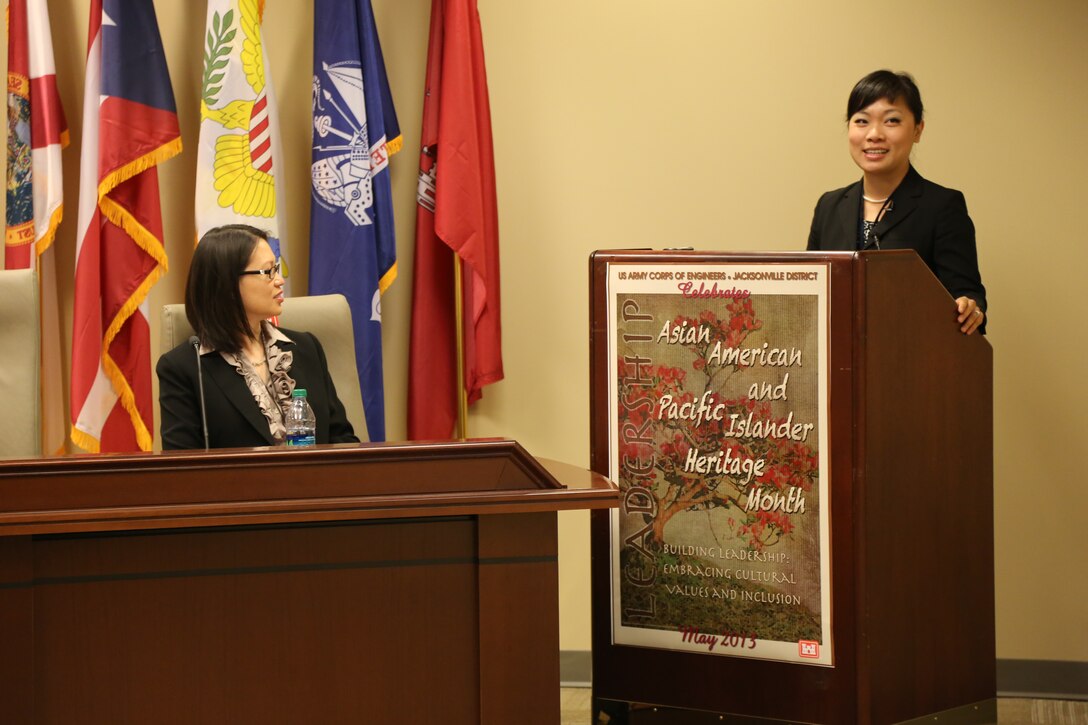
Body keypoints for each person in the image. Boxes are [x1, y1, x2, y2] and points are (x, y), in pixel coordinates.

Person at [807, 70, 987, 335]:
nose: (874, 134)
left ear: (917, 129)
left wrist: (971, 307)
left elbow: (967, 294)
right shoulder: (829, 206)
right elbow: (811, 292)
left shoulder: (942, 206)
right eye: (861, 121)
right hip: (838, 363)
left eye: (891, 121)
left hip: (912, 361)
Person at [157, 224, 359, 449]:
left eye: (277, 269)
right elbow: (182, 470)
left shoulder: (305, 348)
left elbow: (343, 442)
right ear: (228, 284)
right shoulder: (184, 368)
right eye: (268, 271)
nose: (280, 280)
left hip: (318, 483)